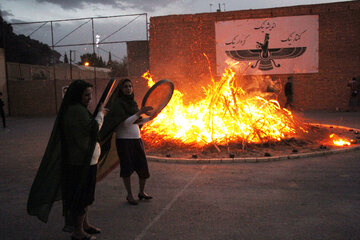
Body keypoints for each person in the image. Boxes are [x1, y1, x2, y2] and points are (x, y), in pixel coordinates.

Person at [27, 80, 107, 240]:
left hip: (87, 161)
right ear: (77, 95)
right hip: (80, 163)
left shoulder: (79, 110)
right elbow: (92, 129)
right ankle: (78, 232)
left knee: (86, 197)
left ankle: (85, 225)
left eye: (90, 94)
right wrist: (101, 114)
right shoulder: (75, 111)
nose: (89, 98)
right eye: (86, 95)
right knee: (80, 198)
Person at [98, 78, 153, 205]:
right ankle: (129, 195)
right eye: (125, 87)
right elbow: (125, 123)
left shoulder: (133, 103)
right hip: (124, 141)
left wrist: (150, 117)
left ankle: (141, 192)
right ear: (121, 90)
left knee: (143, 167)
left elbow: (136, 121)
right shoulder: (118, 104)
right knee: (127, 168)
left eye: (130, 86)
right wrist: (140, 112)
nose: (128, 89)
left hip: (136, 140)